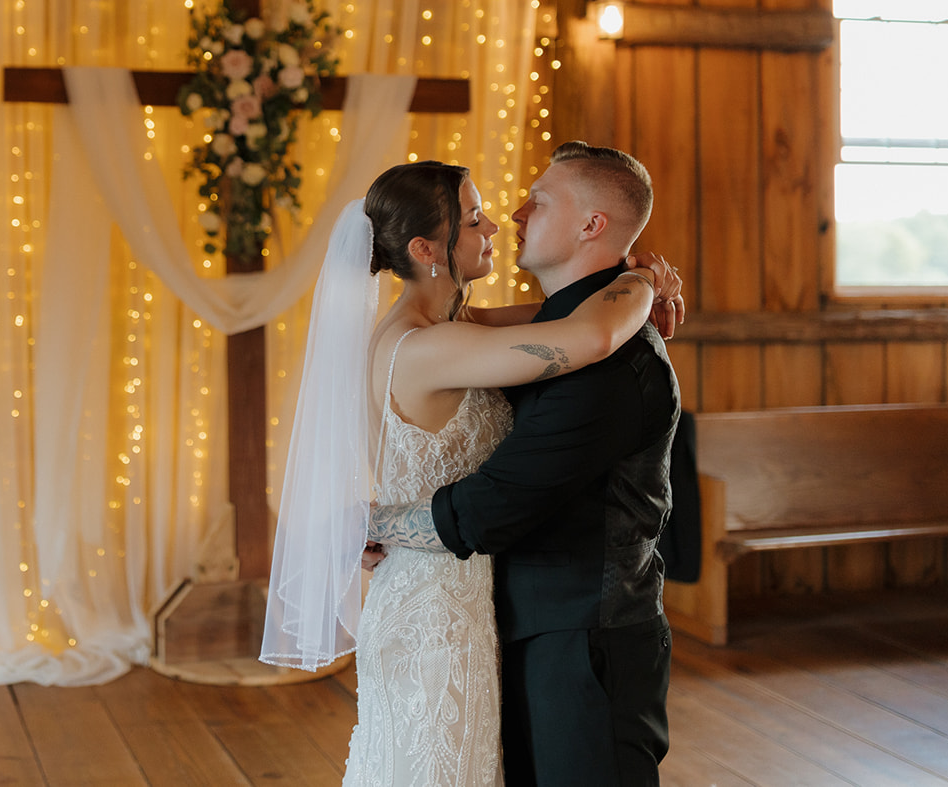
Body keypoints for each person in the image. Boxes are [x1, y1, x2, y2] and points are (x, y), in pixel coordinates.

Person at [260, 154, 680, 786]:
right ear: (429, 248)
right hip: (437, 606)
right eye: (477, 218)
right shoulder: (430, 346)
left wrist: (640, 279)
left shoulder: (454, 328)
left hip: (494, 603)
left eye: (530, 202)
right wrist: (645, 281)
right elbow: (586, 337)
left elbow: (565, 325)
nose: (503, 221)